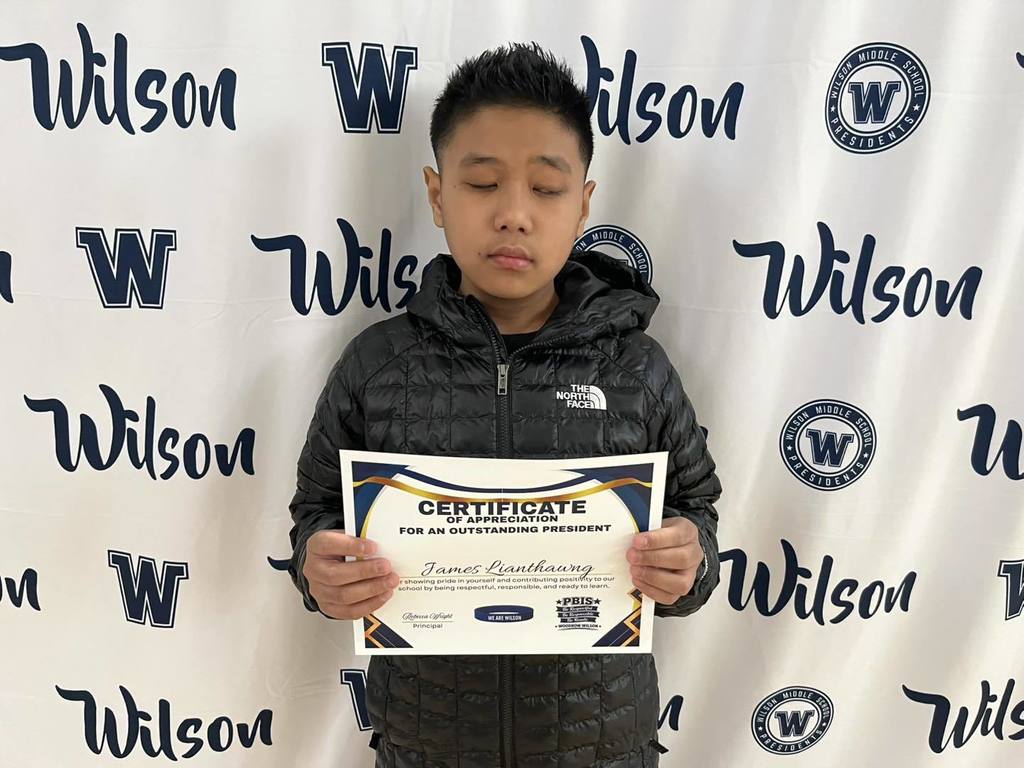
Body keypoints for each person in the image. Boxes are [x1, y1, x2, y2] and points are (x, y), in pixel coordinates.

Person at [287, 42, 722, 768]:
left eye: (547, 189)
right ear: (436, 194)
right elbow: (316, 514)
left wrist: (689, 563)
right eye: (483, 183)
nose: (514, 215)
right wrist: (320, 569)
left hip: (602, 749)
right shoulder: (377, 365)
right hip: (426, 748)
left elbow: (697, 515)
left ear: (584, 204)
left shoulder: (637, 369)